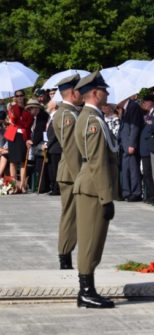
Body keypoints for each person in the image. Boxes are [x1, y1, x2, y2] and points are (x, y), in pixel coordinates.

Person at [73, 71, 119, 308]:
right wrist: (106, 197)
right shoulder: (92, 120)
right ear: (94, 93)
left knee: (94, 241)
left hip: (91, 188)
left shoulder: (94, 117)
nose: (107, 93)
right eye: (104, 90)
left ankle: (88, 289)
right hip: (92, 189)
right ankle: (86, 291)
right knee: (90, 241)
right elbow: (97, 161)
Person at [52, 73, 83, 269]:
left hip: (71, 172)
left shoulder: (71, 113)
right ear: (72, 93)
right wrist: (80, 176)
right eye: (80, 90)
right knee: (70, 215)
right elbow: (72, 149)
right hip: (72, 173)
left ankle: (66, 255)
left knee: (73, 215)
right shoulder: (67, 115)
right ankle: (65, 257)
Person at [4, 90, 33, 191]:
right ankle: (13, 185)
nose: (19, 97)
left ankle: (22, 185)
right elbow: (11, 120)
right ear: (15, 97)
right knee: (12, 161)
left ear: (24, 96)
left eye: (21, 95)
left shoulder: (28, 110)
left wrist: (28, 139)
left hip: (22, 136)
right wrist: (11, 113)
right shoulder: (12, 108)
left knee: (22, 161)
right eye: (17, 96)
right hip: (12, 136)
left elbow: (28, 125)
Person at [117, 97, 144, 202]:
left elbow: (135, 126)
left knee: (133, 169)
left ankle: (135, 192)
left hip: (129, 144)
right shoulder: (126, 108)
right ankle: (127, 192)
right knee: (126, 169)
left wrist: (132, 144)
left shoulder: (133, 106)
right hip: (124, 143)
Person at [26, 99, 49, 193]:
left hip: (41, 143)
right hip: (37, 143)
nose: (30, 111)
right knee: (38, 165)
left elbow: (39, 132)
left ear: (36, 108)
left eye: (31, 108)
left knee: (41, 165)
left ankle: (42, 187)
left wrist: (33, 141)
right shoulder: (36, 117)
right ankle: (41, 186)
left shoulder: (42, 116)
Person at [139, 94, 154, 204]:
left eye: (146, 101)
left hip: (151, 147)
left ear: (152, 102)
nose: (144, 104)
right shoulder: (145, 114)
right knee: (146, 173)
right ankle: (151, 194)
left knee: (152, 173)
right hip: (145, 147)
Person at [43, 100, 62, 195]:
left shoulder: (56, 116)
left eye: (49, 103)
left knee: (55, 169)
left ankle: (57, 189)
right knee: (51, 169)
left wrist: (47, 144)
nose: (47, 104)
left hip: (56, 147)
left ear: (54, 105)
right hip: (50, 147)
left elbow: (54, 133)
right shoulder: (50, 117)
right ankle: (53, 187)